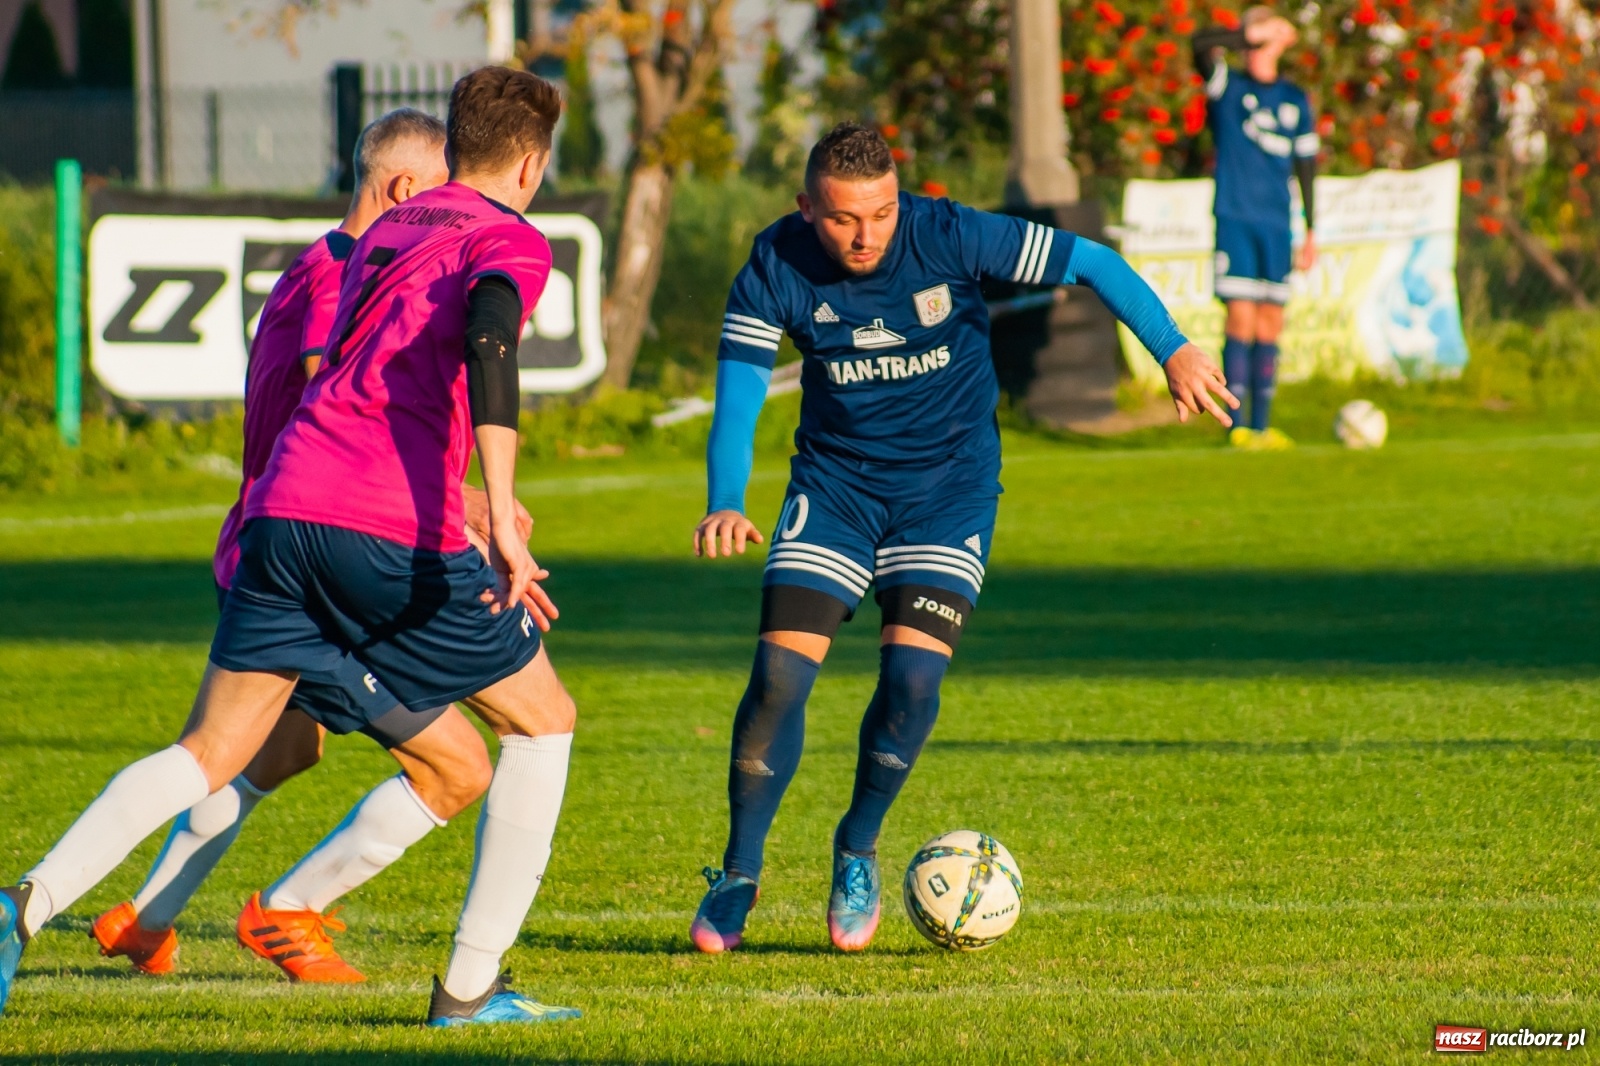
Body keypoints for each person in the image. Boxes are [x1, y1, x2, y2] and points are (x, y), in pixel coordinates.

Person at [0, 67, 580, 1028]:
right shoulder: (509, 236)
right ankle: (469, 989)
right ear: (529, 164)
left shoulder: (389, 230)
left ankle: (21, 907)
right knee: (542, 720)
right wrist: (500, 507)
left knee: (213, 752)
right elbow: (490, 343)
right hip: (383, 523)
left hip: (282, 510)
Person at [687, 123, 1237, 954]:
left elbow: (1094, 262)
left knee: (910, 680)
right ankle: (738, 871)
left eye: (880, 212)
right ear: (807, 210)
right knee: (775, 680)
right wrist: (726, 497)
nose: (866, 235)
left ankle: (857, 846)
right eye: (842, 219)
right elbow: (740, 391)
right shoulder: (775, 265)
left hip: (948, 493)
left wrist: (1174, 348)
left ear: (899, 197)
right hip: (835, 492)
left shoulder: (949, 233)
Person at [88, 108, 508, 987]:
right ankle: (286, 913)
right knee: (460, 761)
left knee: (276, 749)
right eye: (443, 201)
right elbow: (338, 391)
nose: (455, 223)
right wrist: (462, 496)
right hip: (317, 554)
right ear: (401, 193)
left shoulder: (324, 264)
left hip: (280, 543)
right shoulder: (340, 277)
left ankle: (146, 921)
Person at [1193, 6, 1319, 450]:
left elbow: (1306, 166)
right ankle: (1237, 425)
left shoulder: (1294, 98)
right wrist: (1245, 34)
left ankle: (1262, 427)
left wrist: (1311, 230)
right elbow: (1199, 45)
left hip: (1276, 223)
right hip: (1236, 217)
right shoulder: (1229, 87)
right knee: (1241, 316)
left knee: (1271, 321)